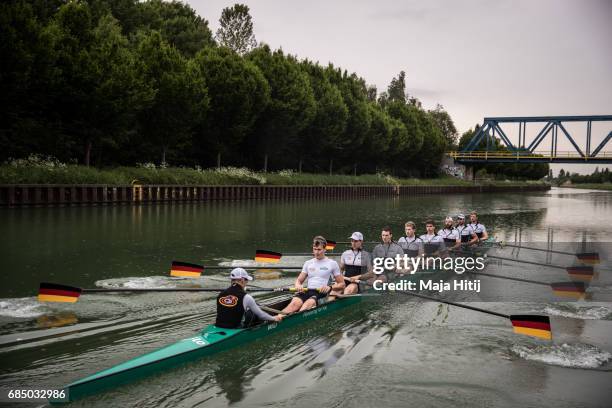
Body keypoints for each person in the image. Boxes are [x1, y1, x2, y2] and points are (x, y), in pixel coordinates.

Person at [281, 236, 345, 313]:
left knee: (307, 305)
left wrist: (330, 287)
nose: (316, 252)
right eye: (315, 249)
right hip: (307, 290)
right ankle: (276, 318)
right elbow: (298, 280)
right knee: (294, 304)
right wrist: (298, 285)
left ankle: (296, 319)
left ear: (325, 249)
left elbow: (342, 284)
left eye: (319, 250)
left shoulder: (332, 263)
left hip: (322, 293)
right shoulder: (308, 263)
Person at [215, 268, 284, 329]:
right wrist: (274, 318)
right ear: (242, 280)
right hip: (235, 328)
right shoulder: (246, 297)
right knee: (252, 311)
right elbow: (261, 315)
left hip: (218, 325)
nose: (247, 282)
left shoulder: (221, 294)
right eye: (246, 280)